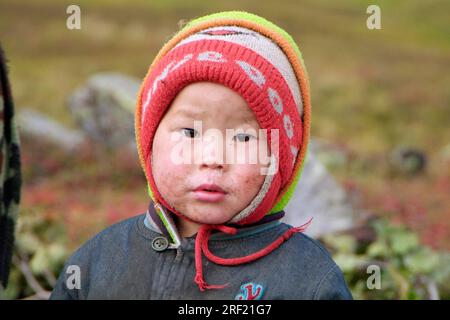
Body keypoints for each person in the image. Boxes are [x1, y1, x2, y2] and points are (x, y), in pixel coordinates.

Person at [51, 11, 352, 300]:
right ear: (149, 140)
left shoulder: (308, 279)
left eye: (243, 137)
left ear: (281, 159)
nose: (212, 157)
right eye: (190, 133)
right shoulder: (100, 260)